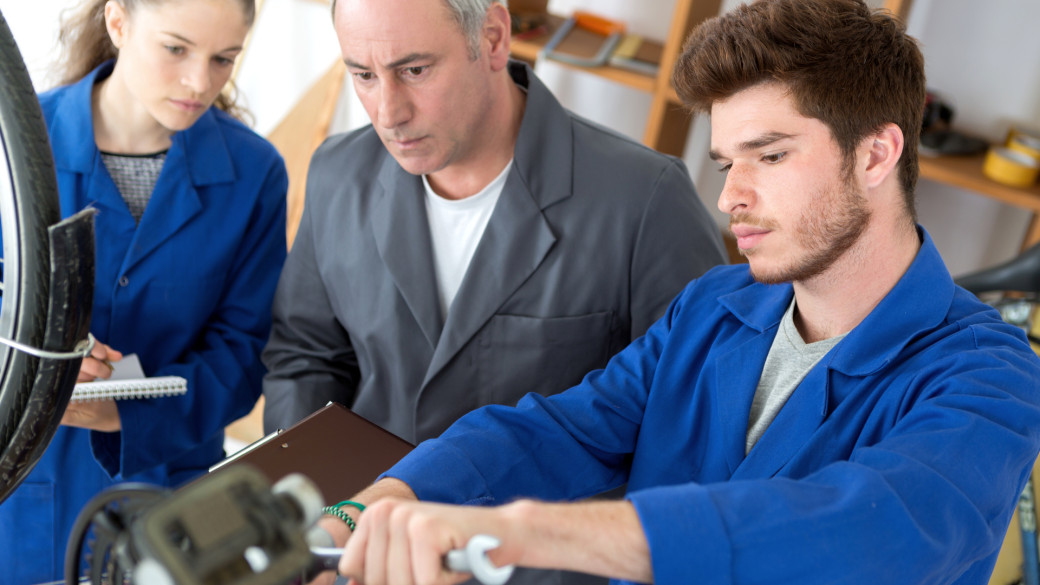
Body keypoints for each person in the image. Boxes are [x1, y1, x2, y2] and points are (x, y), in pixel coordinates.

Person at [309, 1, 1040, 584]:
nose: (731, 198)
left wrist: (513, 531)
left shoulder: (989, 376)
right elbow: (560, 429)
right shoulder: (715, 307)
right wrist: (384, 499)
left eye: (772, 155)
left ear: (877, 153)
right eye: (727, 163)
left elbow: (861, 531)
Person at [260, 0, 725, 444]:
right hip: (364, 515)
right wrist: (314, 498)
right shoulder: (336, 174)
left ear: (494, 38)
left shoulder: (646, 199)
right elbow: (305, 356)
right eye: (363, 75)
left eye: (415, 70)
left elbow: (689, 414)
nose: (388, 113)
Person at [0, 0, 288, 583]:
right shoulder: (15, 152)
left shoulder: (256, 173)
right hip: (27, 490)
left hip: (173, 493)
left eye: (223, 59)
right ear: (118, 22)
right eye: (176, 49)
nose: (198, 82)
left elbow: (243, 355)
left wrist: (127, 417)